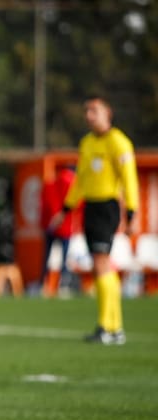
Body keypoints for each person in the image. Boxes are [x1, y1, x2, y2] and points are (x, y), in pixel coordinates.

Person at [49, 95, 139, 345]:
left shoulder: (119, 142)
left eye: (94, 111)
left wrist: (131, 213)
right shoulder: (87, 143)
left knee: (101, 264)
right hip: (90, 207)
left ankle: (108, 326)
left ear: (108, 114)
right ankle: (113, 328)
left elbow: (129, 178)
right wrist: (66, 209)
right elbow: (81, 180)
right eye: (87, 111)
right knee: (101, 265)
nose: (89, 116)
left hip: (107, 206)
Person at [40, 165, 76, 296]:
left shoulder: (50, 183)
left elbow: (46, 204)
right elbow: (77, 203)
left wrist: (52, 219)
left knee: (47, 257)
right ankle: (63, 286)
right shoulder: (72, 183)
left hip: (50, 225)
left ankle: (44, 285)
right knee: (64, 258)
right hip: (65, 227)